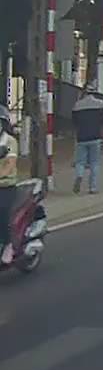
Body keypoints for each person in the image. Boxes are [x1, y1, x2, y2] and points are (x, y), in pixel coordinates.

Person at [71, 82, 103, 195]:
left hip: (81, 137)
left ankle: (79, 175)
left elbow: (74, 122)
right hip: (95, 136)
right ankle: (93, 187)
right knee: (95, 163)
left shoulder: (77, 105)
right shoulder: (100, 104)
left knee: (80, 161)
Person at [0, 107, 19, 266]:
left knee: (2, 213)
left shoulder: (9, 141)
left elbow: (10, 164)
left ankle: (8, 244)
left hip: (6, 185)